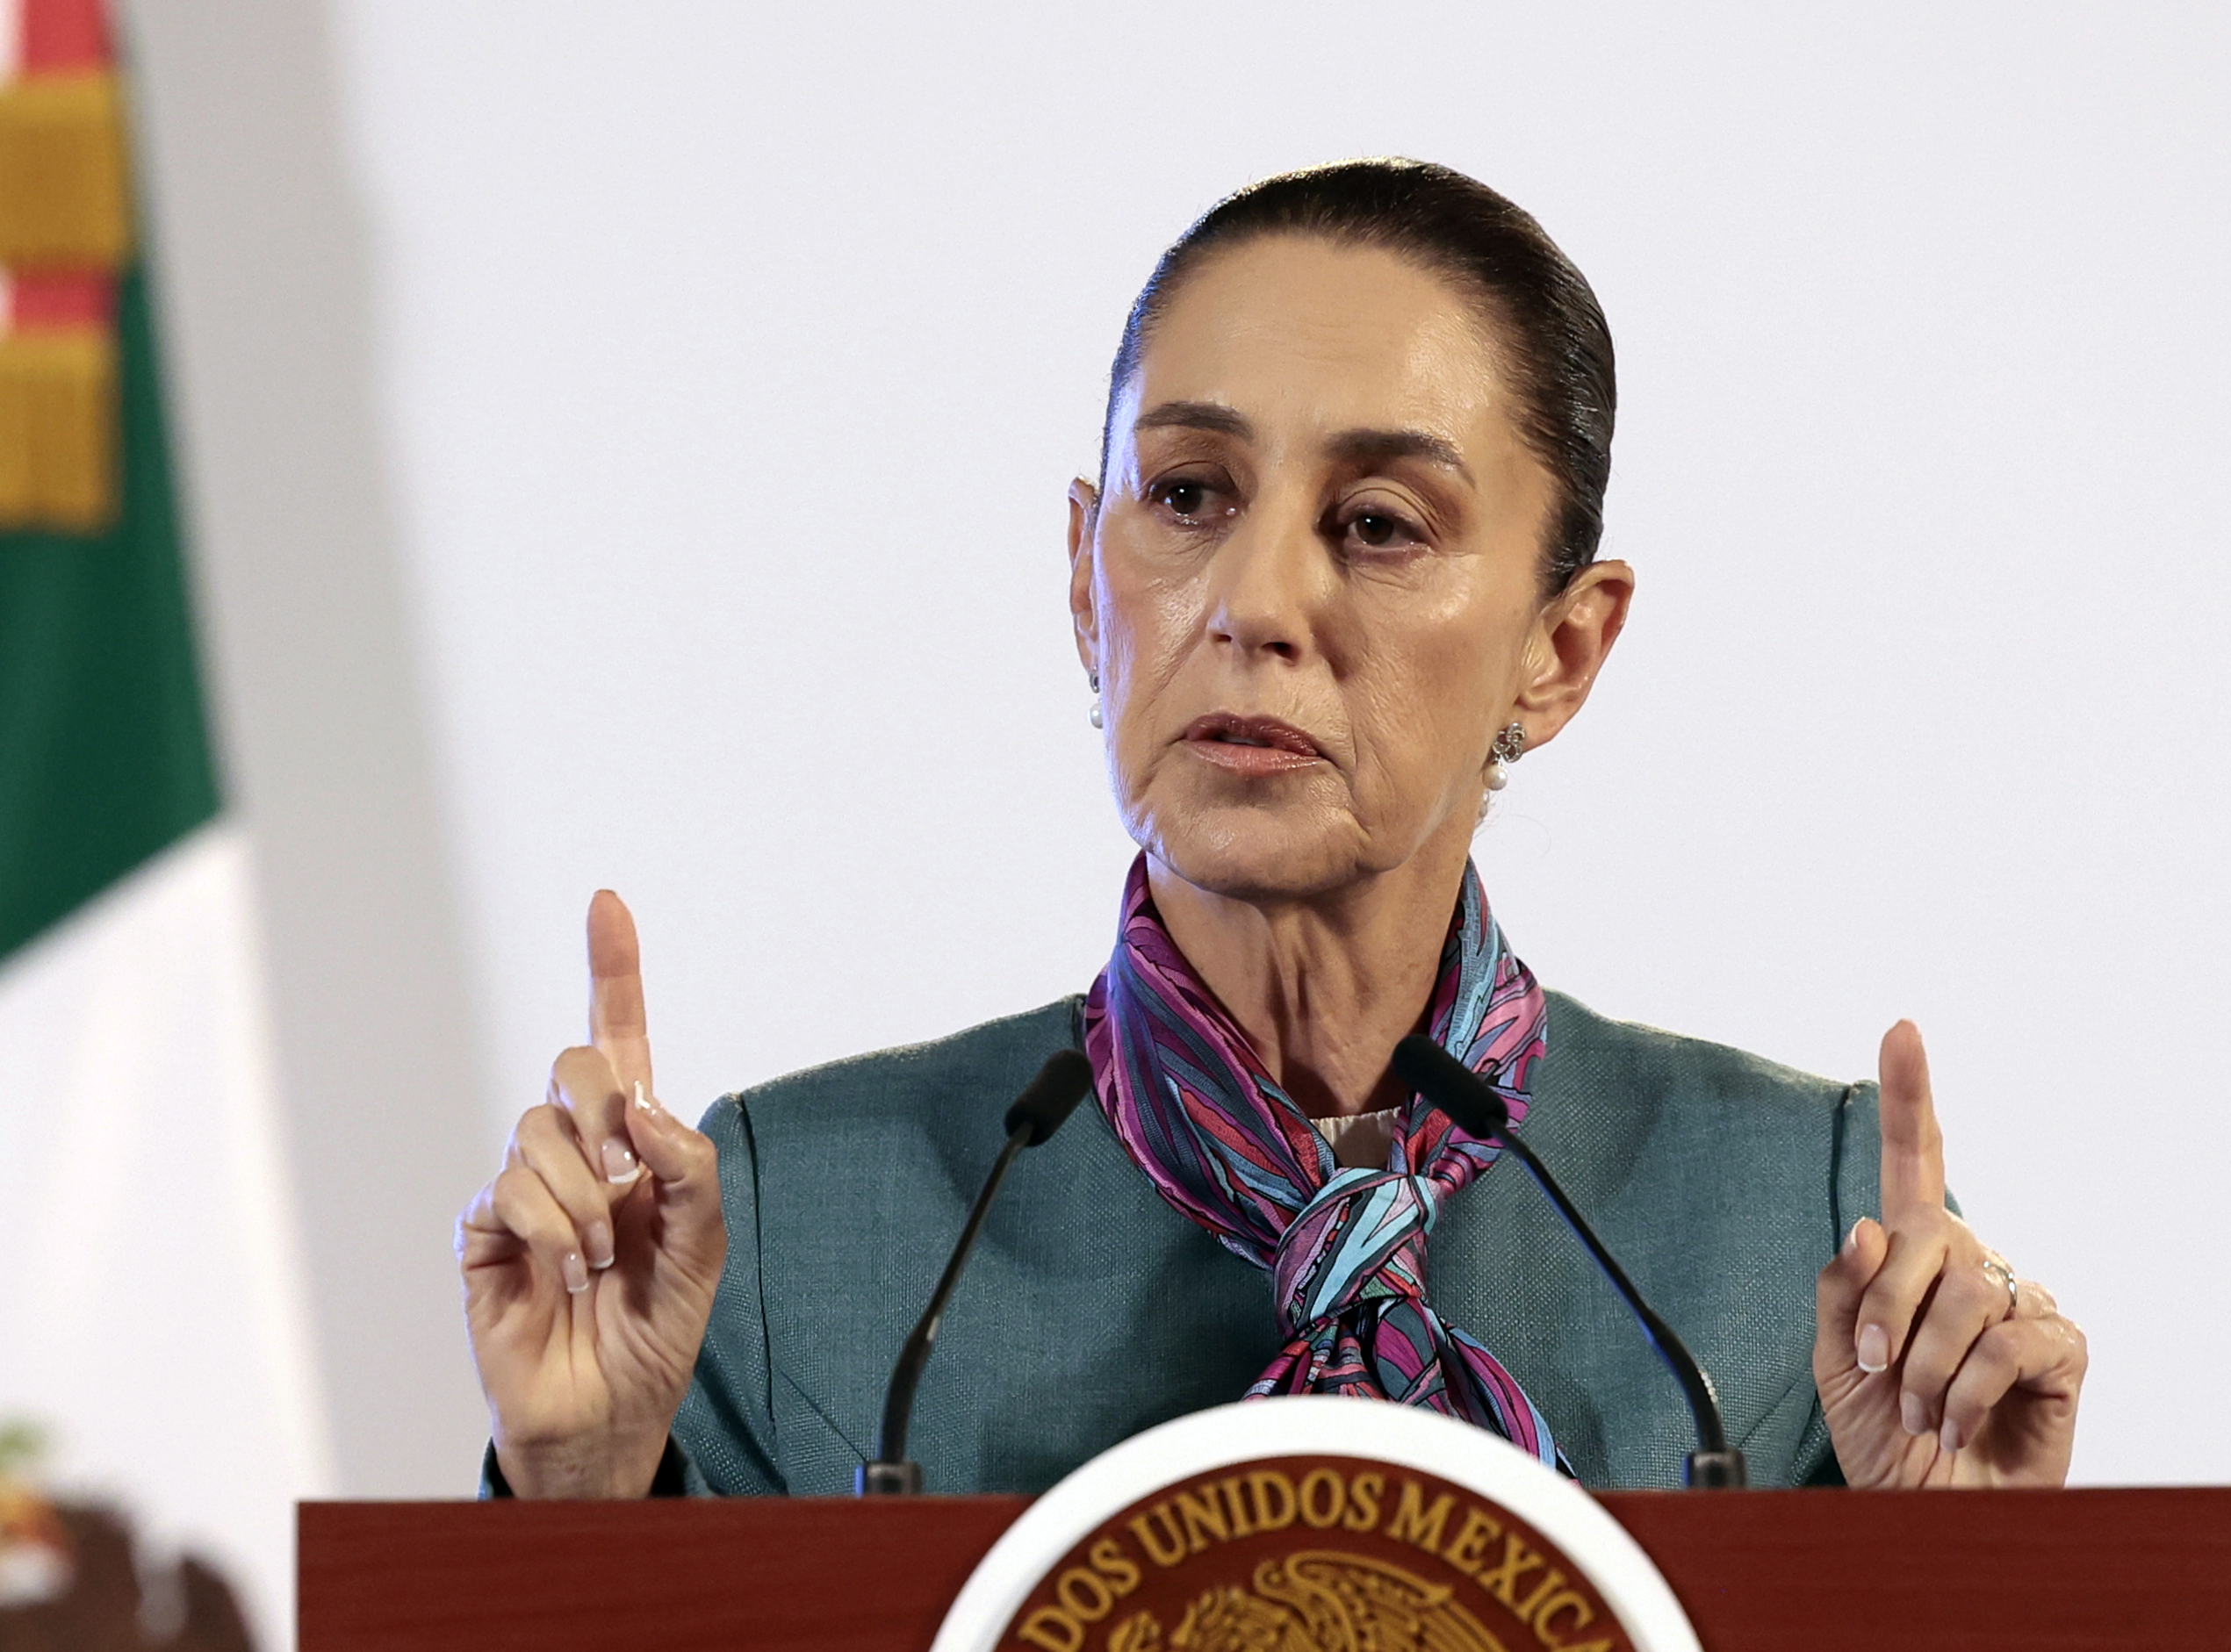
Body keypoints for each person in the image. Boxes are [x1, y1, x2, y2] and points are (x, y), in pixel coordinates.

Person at [457, 159, 2088, 1500]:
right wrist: (580, 1492)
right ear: (1086, 585)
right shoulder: (788, 1233)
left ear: (1562, 646)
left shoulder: (1787, 1230)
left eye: (1378, 524)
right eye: (1186, 497)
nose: (1252, 602)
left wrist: (1964, 1587)